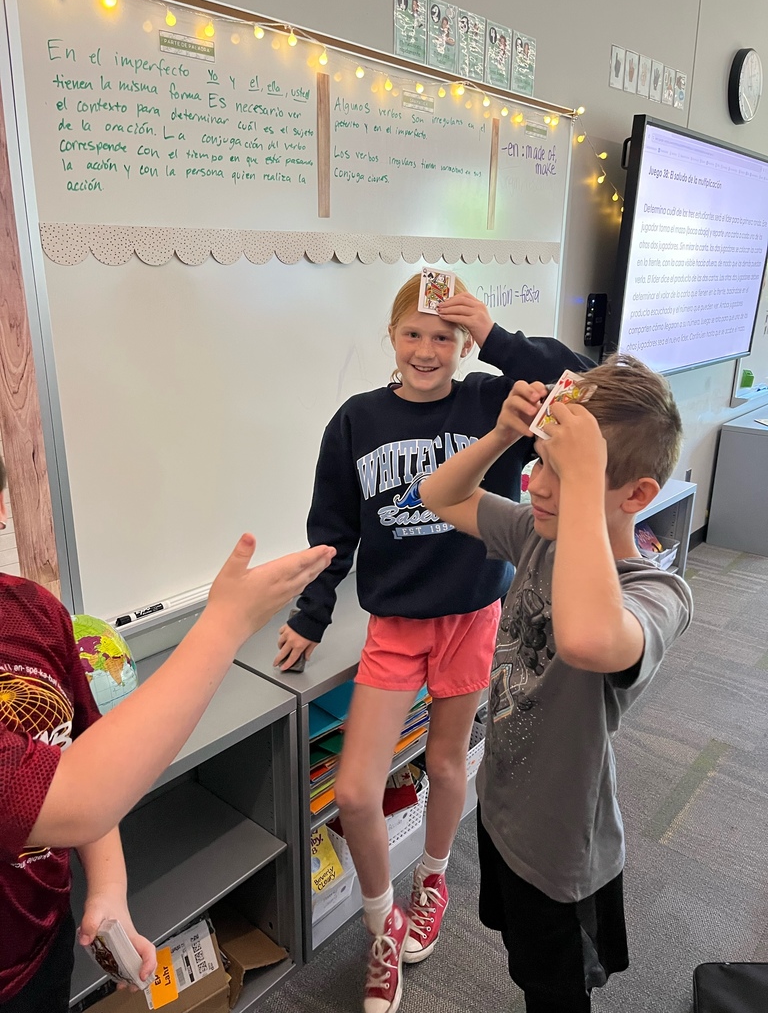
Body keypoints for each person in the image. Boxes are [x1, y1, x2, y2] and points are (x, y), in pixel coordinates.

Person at [273, 273, 591, 1013]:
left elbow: (580, 381)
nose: (427, 350)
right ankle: (382, 928)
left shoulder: (490, 396)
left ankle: (433, 880)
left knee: (448, 762)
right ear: (391, 338)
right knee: (354, 790)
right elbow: (334, 527)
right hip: (395, 623)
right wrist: (311, 615)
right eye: (412, 334)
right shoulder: (356, 420)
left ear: (460, 342)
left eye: (443, 336)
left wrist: (493, 334)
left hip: (473, 613)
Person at [0, 453, 334, 1013]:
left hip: (41, 944)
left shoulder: (32, 611)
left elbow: (81, 752)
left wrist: (107, 887)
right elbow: (77, 796)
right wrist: (226, 624)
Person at [419, 354, 693, 1013]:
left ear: (635, 495)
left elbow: (587, 639)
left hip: (564, 852)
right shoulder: (538, 537)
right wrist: (504, 440)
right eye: (538, 461)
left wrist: (581, 470)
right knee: (523, 962)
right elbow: (440, 495)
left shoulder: (658, 591)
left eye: (560, 473)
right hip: (504, 807)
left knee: (556, 992)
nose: (536, 485)